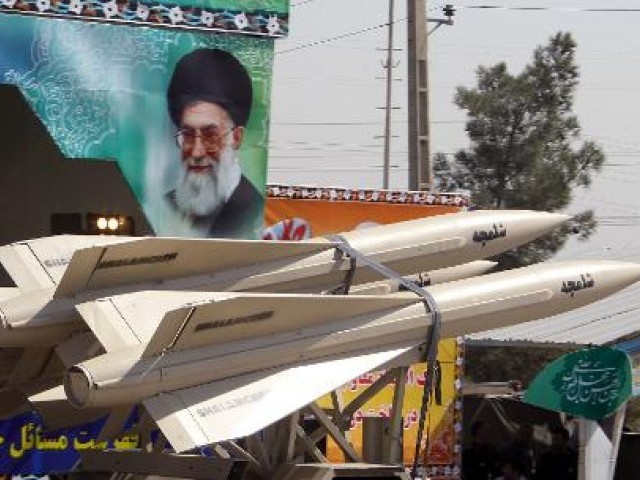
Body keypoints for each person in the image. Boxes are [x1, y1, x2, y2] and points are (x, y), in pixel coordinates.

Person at [164, 48, 264, 238]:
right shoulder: (166, 207)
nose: (196, 152)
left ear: (236, 138)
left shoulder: (253, 213)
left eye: (210, 136)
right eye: (188, 134)